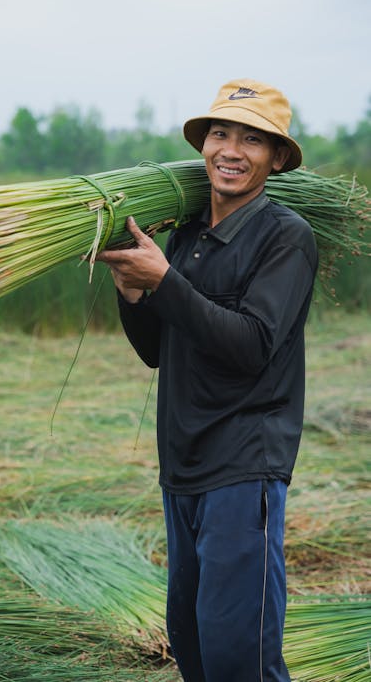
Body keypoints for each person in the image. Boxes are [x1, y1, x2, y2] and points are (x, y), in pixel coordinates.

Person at [96, 79, 318, 682]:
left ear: (276, 158)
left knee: (237, 655)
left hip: (245, 467)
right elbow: (158, 353)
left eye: (253, 139)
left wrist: (165, 282)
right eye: (221, 132)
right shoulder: (186, 236)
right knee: (192, 646)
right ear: (203, 145)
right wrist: (134, 292)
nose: (231, 149)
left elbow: (251, 347)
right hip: (183, 467)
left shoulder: (285, 236)